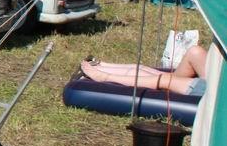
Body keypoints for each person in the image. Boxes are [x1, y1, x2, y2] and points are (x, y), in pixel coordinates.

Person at [81, 45, 212, 96]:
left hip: (215, 93)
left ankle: (105, 77)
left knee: (164, 80)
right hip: (218, 80)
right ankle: (103, 65)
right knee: (195, 52)